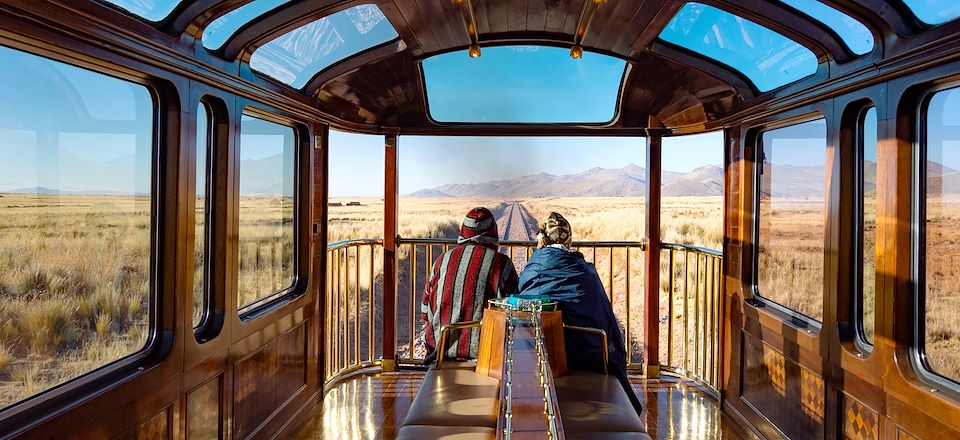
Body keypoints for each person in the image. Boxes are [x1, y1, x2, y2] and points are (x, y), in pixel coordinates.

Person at [516, 211, 643, 415]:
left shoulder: (531, 270)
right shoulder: (585, 272)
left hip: (538, 353)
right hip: (585, 354)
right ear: (569, 240)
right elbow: (604, 317)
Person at [421, 207, 519, 362]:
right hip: (485, 357)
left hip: (438, 356)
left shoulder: (441, 261)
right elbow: (514, 312)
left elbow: (425, 312)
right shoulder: (502, 263)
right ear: (493, 233)